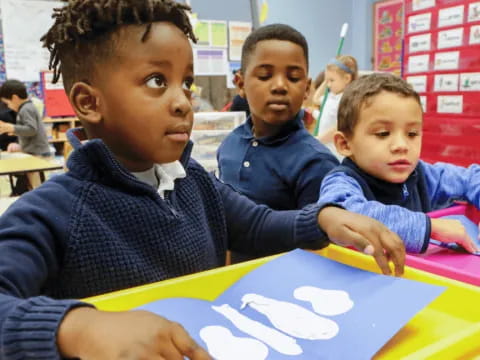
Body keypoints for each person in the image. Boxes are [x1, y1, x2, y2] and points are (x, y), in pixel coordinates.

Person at [0, 2, 404, 359]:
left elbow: (258, 224)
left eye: (187, 83)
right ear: (89, 102)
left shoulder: (191, 181)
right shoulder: (49, 212)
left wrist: (322, 220)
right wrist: (78, 328)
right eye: (157, 81)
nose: (182, 101)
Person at [319, 73, 479, 255]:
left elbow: (471, 177)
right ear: (345, 144)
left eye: (412, 134)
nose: (402, 146)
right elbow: (346, 217)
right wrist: (430, 228)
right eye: (382, 133)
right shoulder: (340, 182)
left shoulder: (423, 174)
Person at [316, 55, 358, 160]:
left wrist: (320, 139)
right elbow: (315, 99)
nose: (328, 85)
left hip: (334, 150)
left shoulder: (345, 100)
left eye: (332, 80)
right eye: (327, 81)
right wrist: (326, 80)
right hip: (325, 146)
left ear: (347, 78)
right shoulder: (331, 96)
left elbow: (339, 126)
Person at [0, 79, 50, 156]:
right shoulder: (25, 108)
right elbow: (28, 130)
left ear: (15, 98)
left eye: (8, 103)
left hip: (38, 153)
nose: (8, 107)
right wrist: (14, 131)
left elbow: (32, 129)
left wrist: (12, 128)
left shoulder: (26, 109)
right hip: (34, 152)